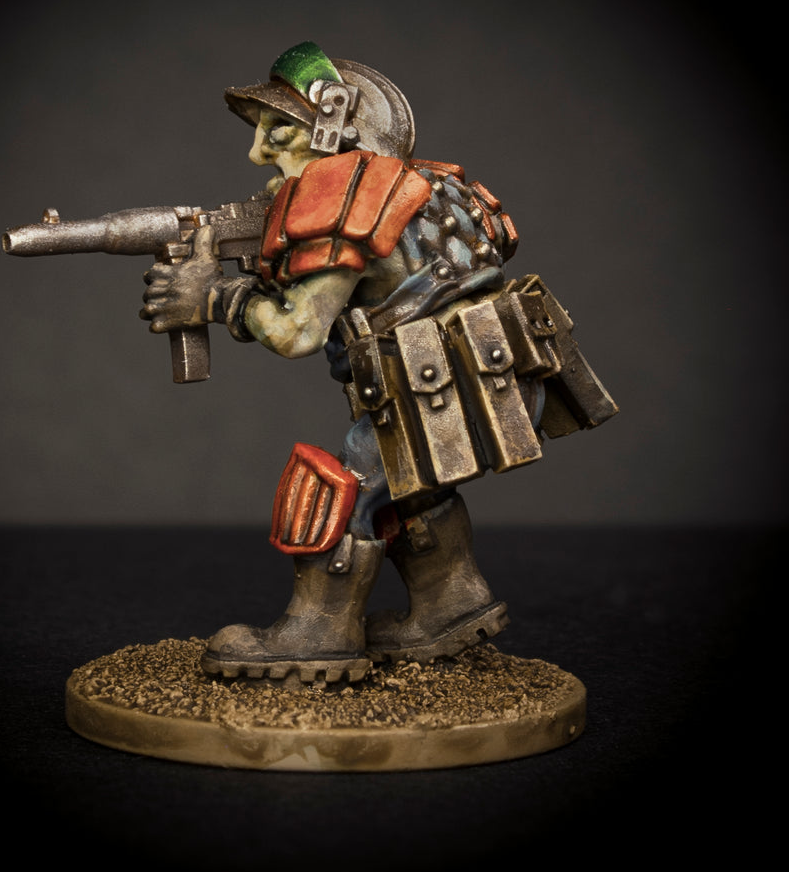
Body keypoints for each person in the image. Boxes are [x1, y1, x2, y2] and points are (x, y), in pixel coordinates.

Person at [142, 42, 616, 684]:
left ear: (336, 129)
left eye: (279, 130)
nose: (258, 153)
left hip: (440, 386)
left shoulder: (346, 202)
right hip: (488, 377)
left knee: (340, 488)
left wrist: (216, 299)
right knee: (412, 485)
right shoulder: (425, 186)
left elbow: (298, 331)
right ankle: (452, 603)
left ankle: (319, 636)